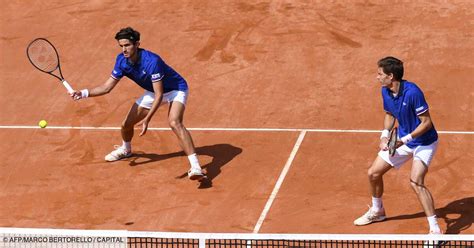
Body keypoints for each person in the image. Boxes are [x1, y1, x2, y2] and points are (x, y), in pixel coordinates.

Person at [70, 27, 205, 181]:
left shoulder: (152, 61)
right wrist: (83, 93)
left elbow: (160, 94)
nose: (124, 49)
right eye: (121, 46)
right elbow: (107, 88)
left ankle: (196, 167)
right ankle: (126, 150)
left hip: (175, 89)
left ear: (137, 44)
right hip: (153, 91)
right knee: (126, 125)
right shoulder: (121, 61)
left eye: (127, 45)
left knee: (174, 122)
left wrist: (147, 119)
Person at [353, 56, 442, 234]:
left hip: (424, 142)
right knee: (373, 173)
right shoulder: (385, 91)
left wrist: (405, 139)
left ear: (391, 76)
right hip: (402, 139)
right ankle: (378, 211)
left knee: (416, 182)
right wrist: (384, 135)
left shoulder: (413, 92)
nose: (377, 77)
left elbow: (426, 123)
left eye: (380, 74)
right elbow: (389, 114)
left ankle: (435, 230)